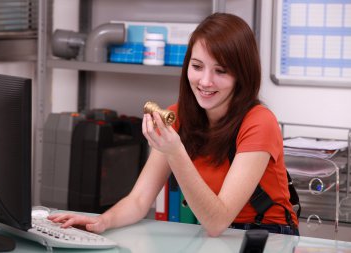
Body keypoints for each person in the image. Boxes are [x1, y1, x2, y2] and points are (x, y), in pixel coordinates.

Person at [48, 12, 299, 237]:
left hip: (268, 235)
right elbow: (139, 200)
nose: (205, 81)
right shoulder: (176, 116)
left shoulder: (259, 122)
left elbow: (217, 221)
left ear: (241, 75)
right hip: (218, 236)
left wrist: (175, 151)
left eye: (220, 71)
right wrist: (101, 222)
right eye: (197, 66)